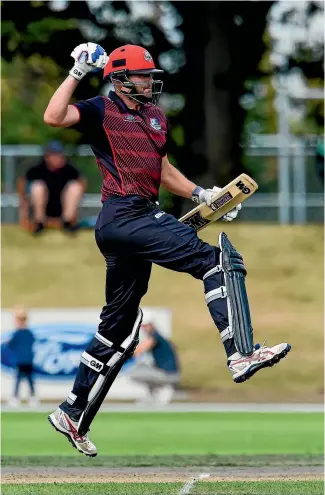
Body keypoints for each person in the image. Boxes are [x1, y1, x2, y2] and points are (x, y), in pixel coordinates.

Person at [44, 42, 291, 457]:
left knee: (119, 328)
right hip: (124, 214)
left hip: (134, 219)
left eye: (150, 75)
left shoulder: (156, 118)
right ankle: (242, 354)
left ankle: (72, 410)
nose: (149, 81)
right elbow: (54, 117)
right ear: (119, 80)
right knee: (217, 261)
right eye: (141, 75)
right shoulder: (100, 110)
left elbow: (159, 169)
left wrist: (202, 193)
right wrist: (76, 72)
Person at [17, 140, 87, 234]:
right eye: (55, 155)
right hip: (42, 207)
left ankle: (68, 222)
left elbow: (82, 181)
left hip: (62, 207)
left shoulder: (69, 169)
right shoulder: (37, 169)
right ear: (47, 156)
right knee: (37, 186)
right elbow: (21, 183)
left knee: (75, 187)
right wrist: (24, 210)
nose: (58, 158)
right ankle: (39, 223)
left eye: (59, 154)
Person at [127, 310, 181, 405]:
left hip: (168, 374)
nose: (143, 328)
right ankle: (154, 394)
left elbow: (138, 351)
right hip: (170, 372)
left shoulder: (154, 337)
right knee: (142, 368)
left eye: (145, 326)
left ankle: (164, 388)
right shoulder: (158, 336)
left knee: (136, 373)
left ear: (151, 325)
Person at [6, 306, 37, 407]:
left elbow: (11, 345)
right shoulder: (29, 333)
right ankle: (31, 397)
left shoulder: (17, 333)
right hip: (28, 360)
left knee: (20, 379)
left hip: (21, 360)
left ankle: (16, 397)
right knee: (28, 379)